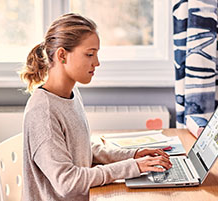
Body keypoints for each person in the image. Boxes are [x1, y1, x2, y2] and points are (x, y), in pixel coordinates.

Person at [19, 13, 172, 201]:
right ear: (62, 55)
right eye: (90, 54)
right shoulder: (43, 113)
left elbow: (83, 150)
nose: (97, 62)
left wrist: (133, 156)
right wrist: (134, 167)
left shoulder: (70, 94)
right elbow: (67, 183)